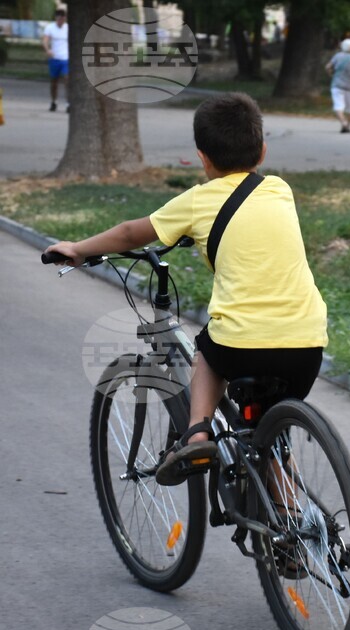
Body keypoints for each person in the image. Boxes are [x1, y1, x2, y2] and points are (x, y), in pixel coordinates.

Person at [43, 93, 329, 486]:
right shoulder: (280, 189)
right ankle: (298, 533)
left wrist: (76, 249)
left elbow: (130, 233)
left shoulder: (197, 201)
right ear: (262, 151)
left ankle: (196, 433)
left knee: (208, 354)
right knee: (270, 434)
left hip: (242, 345)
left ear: (202, 158)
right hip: (307, 343)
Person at [325, 38, 350, 134]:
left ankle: (343, 123)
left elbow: (327, 67)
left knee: (338, 105)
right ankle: (348, 126)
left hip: (337, 85)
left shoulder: (337, 56)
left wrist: (331, 75)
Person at [42, 9, 69, 113]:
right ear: (56, 18)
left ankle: (68, 103)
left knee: (67, 80)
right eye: (59, 18)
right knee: (54, 82)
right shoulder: (50, 27)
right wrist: (47, 50)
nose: (61, 21)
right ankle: (54, 101)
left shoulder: (68, 28)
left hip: (66, 58)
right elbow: (45, 40)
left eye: (63, 18)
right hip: (54, 58)